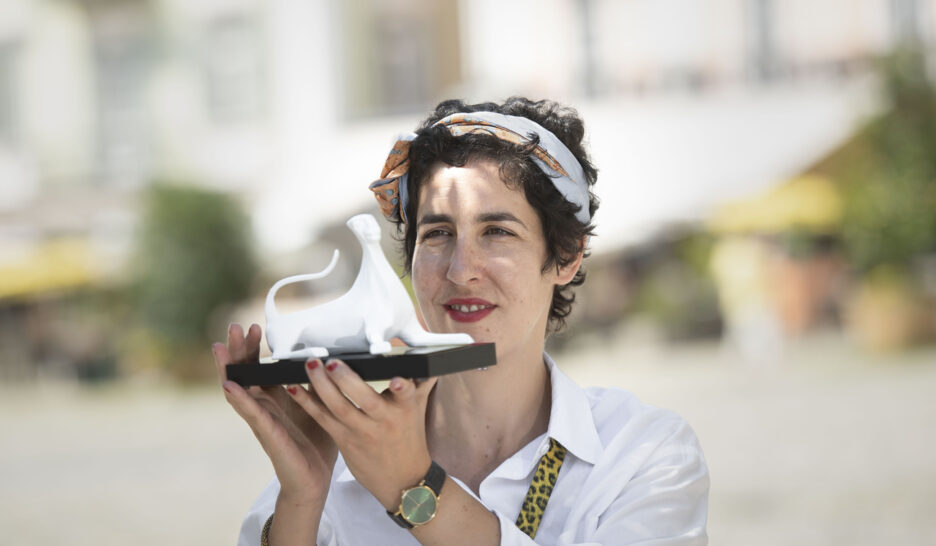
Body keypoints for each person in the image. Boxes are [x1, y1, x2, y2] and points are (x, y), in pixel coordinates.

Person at [213, 97, 709, 545]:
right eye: (437, 234)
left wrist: (414, 487)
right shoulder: (338, 464)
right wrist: (302, 496)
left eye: (497, 232)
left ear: (566, 255)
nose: (460, 270)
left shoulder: (642, 454)